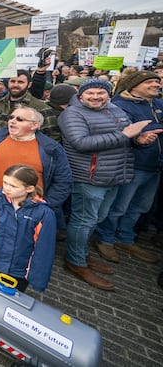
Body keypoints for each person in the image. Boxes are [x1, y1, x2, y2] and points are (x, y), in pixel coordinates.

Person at [58, 78, 155, 291]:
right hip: (89, 178)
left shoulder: (116, 110)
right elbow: (81, 143)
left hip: (115, 175)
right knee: (83, 220)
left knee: (97, 218)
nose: (95, 97)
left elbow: (126, 138)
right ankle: (75, 262)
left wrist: (137, 141)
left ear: (108, 94)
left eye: (100, 93)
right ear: (81, 95)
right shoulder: (72, 114)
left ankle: (81, 253)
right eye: (90, 93)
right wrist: (123, 135)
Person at [94, 70, 163, 264]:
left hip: (155, 166)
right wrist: (138, 140)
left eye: (157, 82)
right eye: (150, 82)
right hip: (132, 165)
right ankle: (105, 238)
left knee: (140, 207)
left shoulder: (159, 104)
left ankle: (125, 238)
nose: (156, 85)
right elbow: (117, 134)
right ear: (134, 85)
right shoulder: (119, 106)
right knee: (119, 206)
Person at [0, 106, 72, 237]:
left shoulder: (51, 149)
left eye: (19, 119)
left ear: (34, 125)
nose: (12, 121)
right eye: (11, 117)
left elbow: (63, 181)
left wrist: (46, 205)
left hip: (28, 210)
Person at [0, 165, 56, 292]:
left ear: (30, 188)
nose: (7, 188)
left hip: (19, 271)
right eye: (5, 183)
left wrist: (37, 279)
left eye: (13, 186)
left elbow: (43, 249)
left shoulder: (44, 214)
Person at [0, 70, 60, 143]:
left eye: (20, 82)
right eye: (12, 81)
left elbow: (52, 138)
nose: (15, 85)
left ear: (29, 85)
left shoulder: (41, 108)